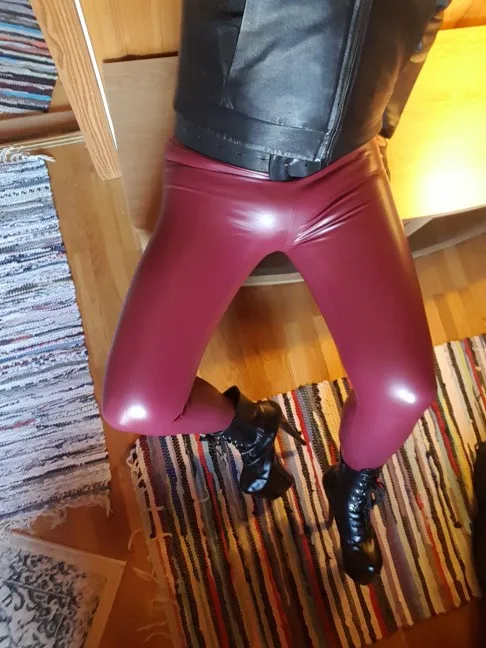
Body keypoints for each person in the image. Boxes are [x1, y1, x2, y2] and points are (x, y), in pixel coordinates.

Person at [103, 0, 450, 585]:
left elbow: (422, 21)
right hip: (218, 176)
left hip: (345, 177)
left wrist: (382, 127)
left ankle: (351, 481)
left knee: (406, 392)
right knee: (137, 405)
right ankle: (248, 426)